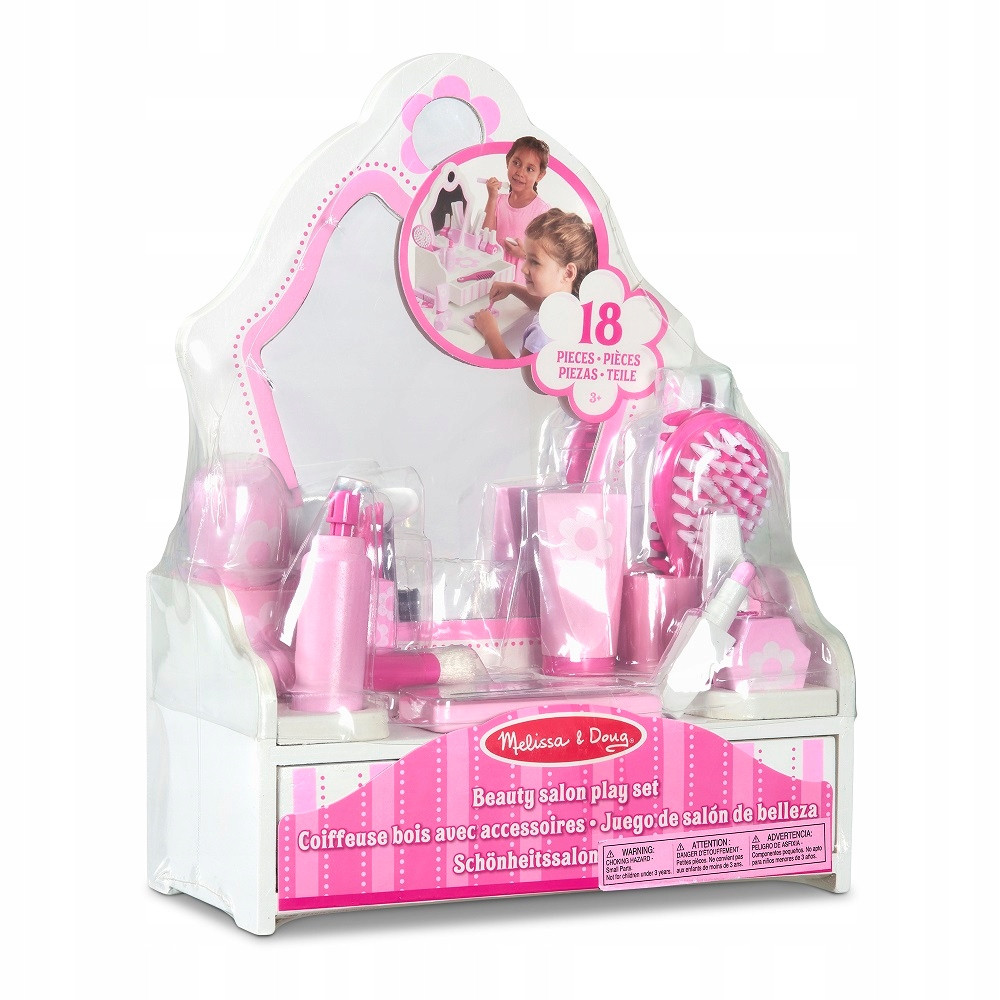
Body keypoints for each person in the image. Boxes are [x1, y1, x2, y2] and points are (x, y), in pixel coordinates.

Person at [474, 208, 598, 361]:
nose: (524, 268)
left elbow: (515, 371)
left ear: (568, 273)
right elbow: (541, 304)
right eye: (526, 257)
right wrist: (512, 288)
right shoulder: (572, 303)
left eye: (534, 262)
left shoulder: (543, 331)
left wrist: (490, 332)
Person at [483, 137, 552, 281]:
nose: (520, 172)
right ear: (508, 161)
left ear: (540, 175)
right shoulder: (498, 200)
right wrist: (492, 198)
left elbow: (547, 257)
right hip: (493, 276)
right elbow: (485, 236)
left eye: (529, 169)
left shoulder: (542, 211)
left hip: (520, 283)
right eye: (516, 163)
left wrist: (524, 254)